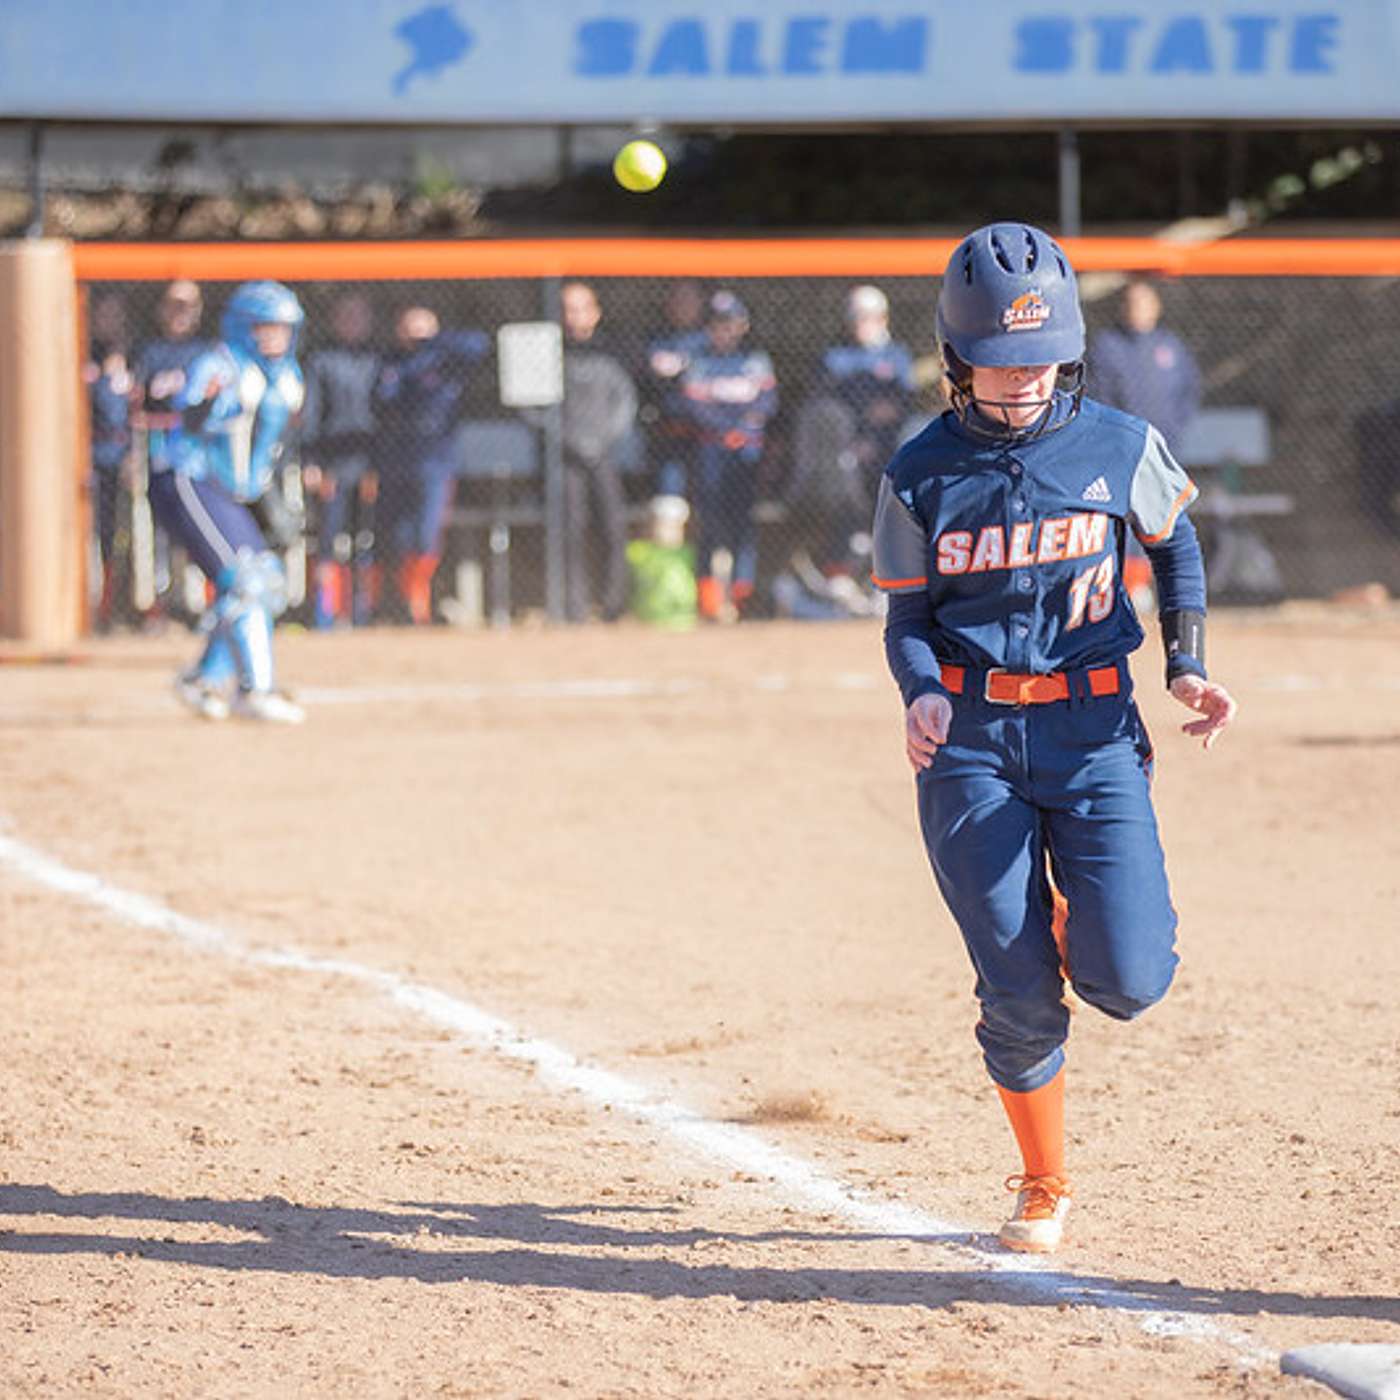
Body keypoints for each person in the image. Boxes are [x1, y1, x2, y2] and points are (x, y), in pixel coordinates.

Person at [872, 223, 1237, 1254]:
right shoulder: (917, 472)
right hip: (970, 744)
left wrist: (1186, 662)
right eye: (998, 363)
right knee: (1015, 983)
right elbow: (904, 621)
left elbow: (1176, 544)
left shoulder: (1117, 443)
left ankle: (1084, 903)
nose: (1022, 381)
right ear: (955, 361)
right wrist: (919, 694)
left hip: (1091, 729)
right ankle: (1041, 1180)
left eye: (1040, 361)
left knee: (1126, 979)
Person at [147, 280, 308, 724]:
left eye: (282, 327)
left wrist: (268, 501)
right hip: (187, 478)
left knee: (266, 582)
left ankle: (201, 680)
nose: (275, 336)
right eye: (264, 327)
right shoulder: (222, 365)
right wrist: (211, 403)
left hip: (229, 491)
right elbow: (192, 416)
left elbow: (268, 450)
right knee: (246, 578)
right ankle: (255, 690)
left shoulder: (288, 376)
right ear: (243, 328)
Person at [1088, 278, 1204, 603]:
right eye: (1131, 303)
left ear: (1157, 307)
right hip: (1120, 448)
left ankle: (1162, 587)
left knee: (1166, 516)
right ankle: (1128, 585)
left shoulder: (1171, 346)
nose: (1138, 309)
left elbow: (1189, 391)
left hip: (1166, 447)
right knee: (1124, 515)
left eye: (1144, 302)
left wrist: (1176, 427)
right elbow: (1099, 395)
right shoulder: (1107, 346)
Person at [372, 306, 489, 624]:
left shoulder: (446, 358)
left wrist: (434, 341)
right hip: (398, 460)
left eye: (424, 328)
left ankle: (418, 595)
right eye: (410, 328)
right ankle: (396, 602)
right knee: (397, 534)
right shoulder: (391, 361)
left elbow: (480, 345)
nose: (416, 335)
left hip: (437, 460)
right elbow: (385, 398)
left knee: (427, 532)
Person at [669, 290, 779, 621]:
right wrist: (726, 428)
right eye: (718, 324)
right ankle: (709, 597)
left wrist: (737, 427)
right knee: (711, 523)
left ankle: (742, 596)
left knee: (743, 524)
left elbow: (766, 403)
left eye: (730, 323)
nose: (724, 330)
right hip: (711, 451)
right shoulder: (699, 361)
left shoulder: (755, 360)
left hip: (747, 452)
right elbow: (694, 405)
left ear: (742, 325)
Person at [133, 279, 212, 627]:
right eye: (173, 305)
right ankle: (156, 602)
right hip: (156, 450)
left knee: (194, 523)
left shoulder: (206, 352)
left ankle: (195, 602)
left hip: (195, 453)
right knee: (155, 527)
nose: (180, 314)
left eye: (187, 306)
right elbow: (136, 405)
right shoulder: (148, 352)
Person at [558, 280, 639, 623]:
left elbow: (625, 401)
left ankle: (613, 604)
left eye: (582, 308)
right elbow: (532, 406)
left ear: (595, 313)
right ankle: (572, 605)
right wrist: (569, 438)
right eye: (568, 309)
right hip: (562, 456)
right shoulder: (549, 351)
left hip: (605, 453)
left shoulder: (612, 352)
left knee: (613, 526)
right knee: (569, 527)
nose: (575, 316)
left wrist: (602, 439)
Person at [301, 291, 381, 627]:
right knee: (328, 538)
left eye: (359, 316)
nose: (352, 323)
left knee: (365, 537)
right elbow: (311, 415)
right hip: (332, 464)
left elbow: (387, 419)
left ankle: (361, 611)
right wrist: (312, 461)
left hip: (368, 464)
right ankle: (326, 611)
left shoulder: (378, 360)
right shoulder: (322, 360)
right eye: (345, 316)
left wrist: (377, 467)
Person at [82, 292, 135, 631]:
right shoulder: (84, 356)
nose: (109, 323)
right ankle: (90, 609)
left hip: (123, 458)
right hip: (92, 456)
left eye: (115, 316)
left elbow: (138, 415)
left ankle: (117, 607)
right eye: (103, 316)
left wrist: (132, 456)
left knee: (121, 533)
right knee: (92, 531)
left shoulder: (134, 357)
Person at [637, 278, 708, 498]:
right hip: (669, 433)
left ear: (700, 303)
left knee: (709, 497)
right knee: (669, 501)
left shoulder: (710, 339)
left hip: (708, 434)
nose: (682, 305)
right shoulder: (657, 338)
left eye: (688, 299)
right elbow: (649, 375)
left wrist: (686, 366)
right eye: (677, 300)